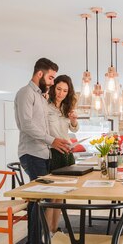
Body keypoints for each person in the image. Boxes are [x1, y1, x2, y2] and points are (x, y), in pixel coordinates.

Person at [14, 58, 71, 244]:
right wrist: (52, 140)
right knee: (44, 197)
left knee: (38, 198)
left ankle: (34, 243)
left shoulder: (40, 97)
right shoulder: (25, 93)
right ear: (40, 74)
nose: (53, 82)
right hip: (31, 154)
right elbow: (26, 125)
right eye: (51, 77)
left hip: (42, 153)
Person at [46, 74, 79, 234]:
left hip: (67, 153)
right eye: (59, 89)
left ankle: (54, 228)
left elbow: (73, 129)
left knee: (60, 195)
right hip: (54, 152)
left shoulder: (66, 108)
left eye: (65, 91)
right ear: (53, 88)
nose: (61, 93)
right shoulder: (45, 106)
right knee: (52, 195)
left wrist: (73, 121)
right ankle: (47, 232)